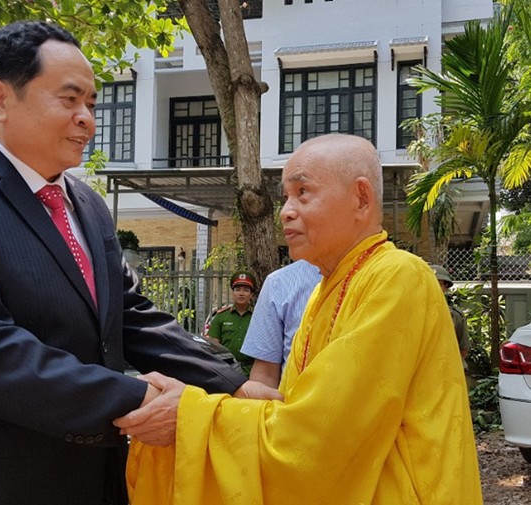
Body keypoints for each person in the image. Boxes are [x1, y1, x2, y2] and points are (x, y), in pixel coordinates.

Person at [0, 21, 270, 505]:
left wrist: (232, 386)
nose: (87, 117)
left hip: (93, 477)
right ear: (0, 99)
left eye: (91, 102)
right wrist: (139, 398)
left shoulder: (84, 203)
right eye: (69, 100)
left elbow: (130, 315)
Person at [116, 134, 482, 504]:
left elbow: (321, 437)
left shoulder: (399, 277)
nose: (286, 212)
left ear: (361, 198)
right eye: (285, 198)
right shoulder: (326, 290)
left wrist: (193, 416)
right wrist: (206, 401)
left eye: (303, 192)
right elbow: (293, 412)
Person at [240, 259, 321, 387]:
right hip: (292, 404)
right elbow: (265, 375)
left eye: (245, 289)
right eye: (238, 289)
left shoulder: (363, 281)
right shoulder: (278, 284)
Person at [207, 271, 257, 375]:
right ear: (232, 293)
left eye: (246, 290)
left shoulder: (258, 317)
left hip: (252, 370)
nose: (241, 293)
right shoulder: (221, 316)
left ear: (251, 295)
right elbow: (213, 345)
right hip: (227, 370)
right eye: (237, 290)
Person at [430, 264, 471, 370]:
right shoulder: (412, 312)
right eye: (430, 283)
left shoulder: (455, 315)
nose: (434, 287)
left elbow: (463, 348)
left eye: (439, 284)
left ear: (445, 288)